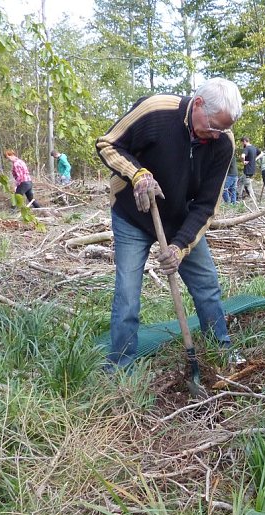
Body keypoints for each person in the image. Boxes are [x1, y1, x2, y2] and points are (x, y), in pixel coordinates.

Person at [95, 77, 244, 371]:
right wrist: (137, 175)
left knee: (207, 285)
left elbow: (206, 206)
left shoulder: (223, 142)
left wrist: (179, 247)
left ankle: (221, 351)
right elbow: (107, 144)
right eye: (214, 126)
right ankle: (120, 368)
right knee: (128, 293)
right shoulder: (156, 110)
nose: (217, 135)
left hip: (180, 217)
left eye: (224, 129)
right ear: (198, 104)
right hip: (132, 214)